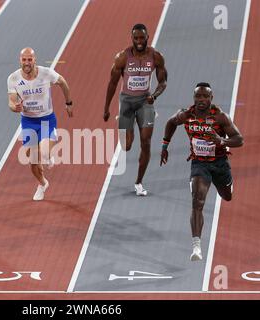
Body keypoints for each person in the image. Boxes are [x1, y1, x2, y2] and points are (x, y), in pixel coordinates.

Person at [160, 82, 244, 261]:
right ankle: (196, 246)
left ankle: (227, 186)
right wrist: (165, 145)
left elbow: (239, 139)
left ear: (211, 99)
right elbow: (170, 122)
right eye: (198, 96)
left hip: (220, 164)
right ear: (194, 98)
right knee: (197, 201)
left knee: (226, 196)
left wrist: (221, 141)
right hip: (199, 164)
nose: (201, 100)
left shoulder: (221, 117)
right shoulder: (186, 115)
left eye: (205, 96)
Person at [103, 23, 167, 196]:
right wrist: (106, 108)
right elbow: (113, 83)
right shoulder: (122, 57)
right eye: (136, 38)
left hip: (145, 102)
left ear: (147, 37)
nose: (139, 41)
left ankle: (139, 182)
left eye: (142, 38)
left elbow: (163, 82)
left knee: (146, 142)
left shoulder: (156, 57)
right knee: (126, 146)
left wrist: (154, 96)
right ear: (132, 38)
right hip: (126, 102)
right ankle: (123, 120)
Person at [7, 47, 73, 201]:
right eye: (24, 60)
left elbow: (62, 82)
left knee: (42, 154)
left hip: (46, 120)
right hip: (28, 122)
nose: (27, 62)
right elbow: (11, 101)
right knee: (32, 160)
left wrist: (69, 103)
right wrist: (14, 107)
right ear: (20, 60)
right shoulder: (13, 79)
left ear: (35, 60)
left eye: (30, 59)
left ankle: (48, 156)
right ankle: (43, 184)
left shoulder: (46, 73)